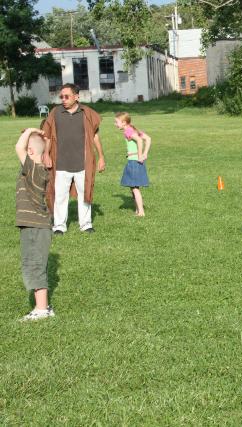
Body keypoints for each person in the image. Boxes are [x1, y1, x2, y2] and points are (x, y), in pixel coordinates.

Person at [42, 83, 105, 235]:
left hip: (83, 163)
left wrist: (101, 157)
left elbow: (95, 136)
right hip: (60, 163)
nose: (63, 99)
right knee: (60, 196)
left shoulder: (87, 113)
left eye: (66, 96)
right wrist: (46, 154)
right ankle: (59, 226)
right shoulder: (55, 113)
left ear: (76, 97)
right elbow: (48, 136)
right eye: (61, 97)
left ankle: (86, 224)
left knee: (84, 194)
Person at [15, 128, 55, 321]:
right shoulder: (38, 169)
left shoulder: (32, 170)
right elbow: (28, 148)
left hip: (34, 227)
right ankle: (43, 307)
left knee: (34, 264)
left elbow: (18, 148)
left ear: (30, 151)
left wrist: (31, 131)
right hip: (38, 226)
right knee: (37, 263)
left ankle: (41, 309)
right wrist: (41, 139)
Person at [114, 112, 151, 217]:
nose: (115, 124)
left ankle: (141, 212)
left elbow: (139, 141)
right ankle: (137, 210)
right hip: (134, 161)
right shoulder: (133, 129)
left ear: (124, 122)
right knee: (133, 187)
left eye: (116, 122)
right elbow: (148, 139)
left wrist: (140, 156)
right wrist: (145, 154)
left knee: (135, 188)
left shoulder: (128, 131)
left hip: (134, 162)